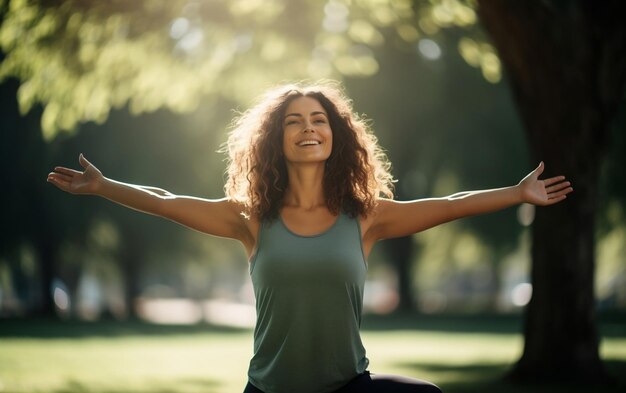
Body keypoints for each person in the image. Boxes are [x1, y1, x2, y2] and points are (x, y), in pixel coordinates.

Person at [47, 81, 573, 393]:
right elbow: (166, 200)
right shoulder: (249, 218)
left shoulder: (365, 216)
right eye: (294, 121)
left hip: (348, 390)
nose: (309, 127)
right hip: (271, 391)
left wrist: (517, 193)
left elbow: (449, 204)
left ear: (334, 135)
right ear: (276, 140)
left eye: (319, 119)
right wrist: (105, 186)